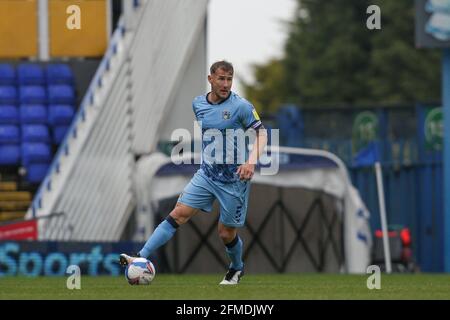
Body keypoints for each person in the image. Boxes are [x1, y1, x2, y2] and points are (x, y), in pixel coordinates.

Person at [119, 60, 268, 285]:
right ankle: (139, 257)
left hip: (234, 181)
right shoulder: (198, 104)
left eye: (229, 79)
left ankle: (236, 268)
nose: (226, 84)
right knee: (179, 213)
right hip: (206, 175)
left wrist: (250, 162)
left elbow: (262, 134)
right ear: (210, 79)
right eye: (221, 79)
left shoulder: (242, 107)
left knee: (225, 233)